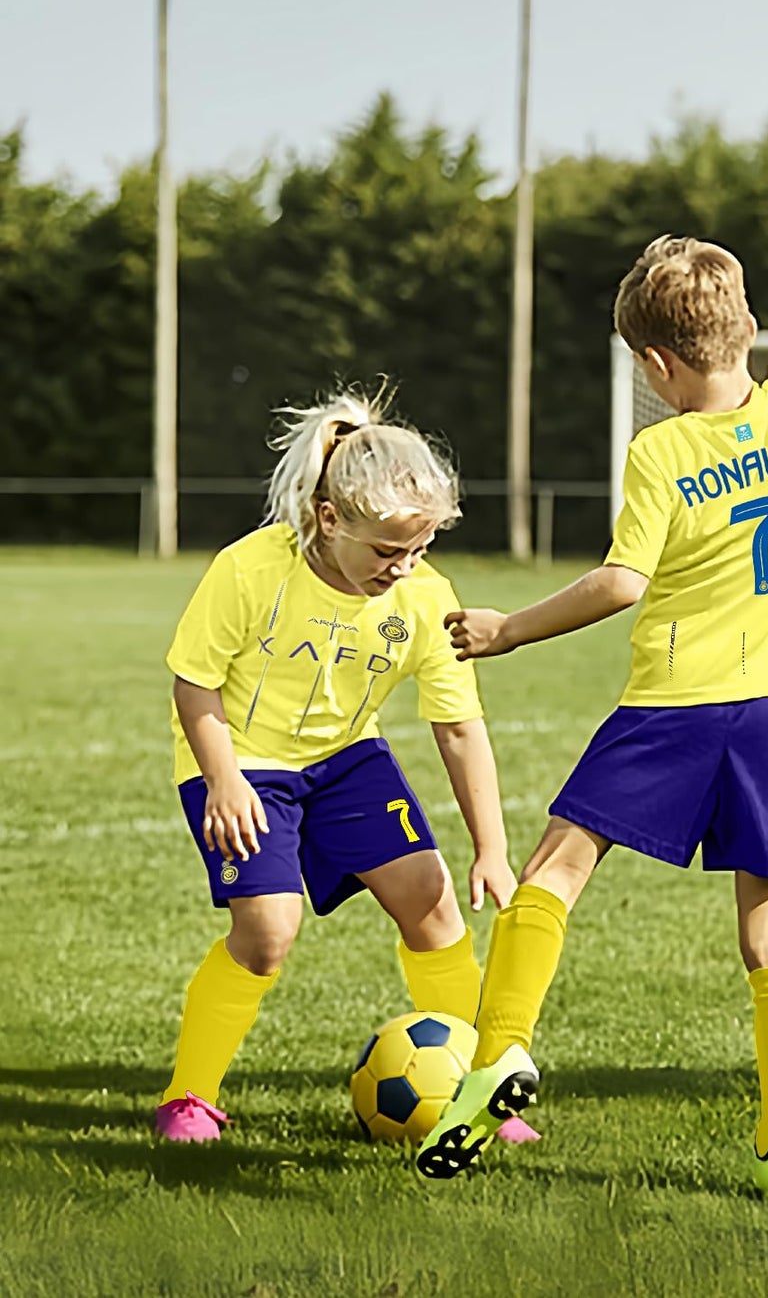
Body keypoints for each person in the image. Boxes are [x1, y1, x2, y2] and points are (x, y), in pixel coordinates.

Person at [412, 78, 768, 1202]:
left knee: (554, 866)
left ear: (653, 365)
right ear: (747, 330)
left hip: (676, 702)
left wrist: (507, 630)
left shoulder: (659, 453)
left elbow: (622, 581)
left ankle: (501, 1053)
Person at [155, 387, 524, 1143]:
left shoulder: (426, 598)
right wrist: (223, 780)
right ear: (328, 519)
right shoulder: (251, 569)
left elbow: (459, 727)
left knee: (431, 900)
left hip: (346, 758)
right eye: (386, 551)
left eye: (420, 549)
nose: (403, 568)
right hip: (238, 757)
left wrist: (491, 846)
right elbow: (194, 684)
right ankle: (187, 1096)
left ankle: (476, 1092)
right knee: (268, 930)